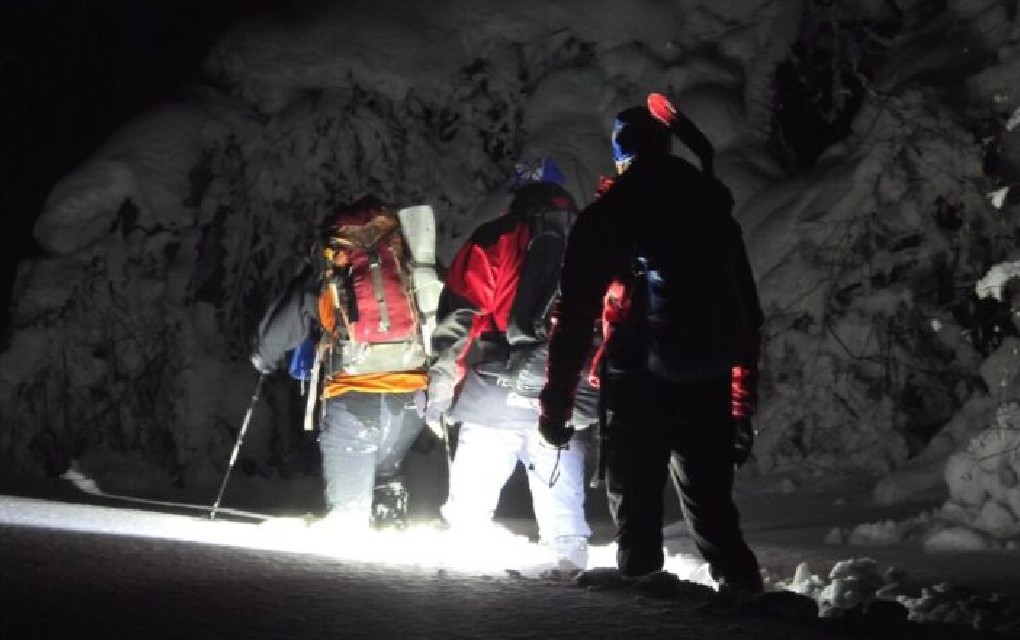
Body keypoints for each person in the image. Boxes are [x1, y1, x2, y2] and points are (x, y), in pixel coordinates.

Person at [538, 98, 765, 593]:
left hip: (636, 380)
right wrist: (741, 404)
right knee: (712, 506)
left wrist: (556, 403)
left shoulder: (611, 213)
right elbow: (746, 312)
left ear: (621, 154)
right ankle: (745, 596)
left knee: (636, 506)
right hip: (706, 374)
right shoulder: (710, 210)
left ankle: (641, 608)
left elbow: (574, 315)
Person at [424, 157, 595, 571]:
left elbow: (462, 315)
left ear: (518, 193)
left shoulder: (496, 237)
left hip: (493, 385)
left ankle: (462, 579)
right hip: (563, 388)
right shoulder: (591, 239)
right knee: (564, 510)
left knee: (470, 506)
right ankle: (572, 586)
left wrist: (443, 377)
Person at [251, 194, 436, 532]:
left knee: (348, 508)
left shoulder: (332, 266)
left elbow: (287, 319)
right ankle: (392, 539)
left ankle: (349, 568)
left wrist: (263, 357)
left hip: (353, 393)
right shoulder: (407, 255)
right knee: (387, 467)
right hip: (412, 395)